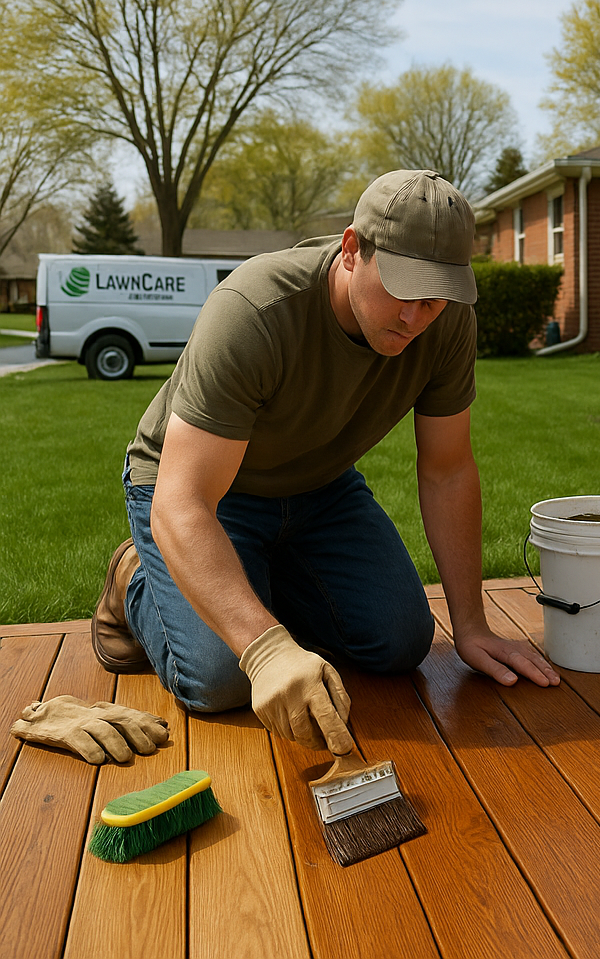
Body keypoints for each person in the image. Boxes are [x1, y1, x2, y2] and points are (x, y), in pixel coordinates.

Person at [91, 169, 558, 756]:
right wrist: (265, 649)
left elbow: (448, 470)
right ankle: (134, 576)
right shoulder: (255, 309)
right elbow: (183, 501)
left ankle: (256, 581)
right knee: (223, 681)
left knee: (400, 643)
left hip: (319, 488)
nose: (417, 316)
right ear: (351, 249)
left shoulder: (448, 322)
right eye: (403, 287)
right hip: (205, 493)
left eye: (436, 295)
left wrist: (471, 625)